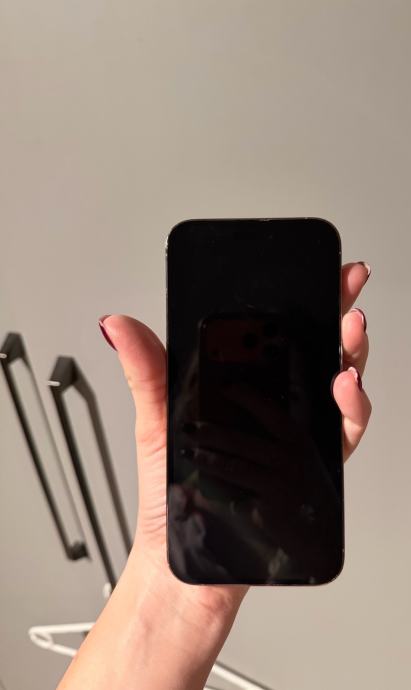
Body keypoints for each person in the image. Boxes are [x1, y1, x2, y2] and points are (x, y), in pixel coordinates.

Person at [57, 261, 372, 690]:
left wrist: (304, 524)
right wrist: (167, 589)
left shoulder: (285, 515)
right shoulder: (182, 526)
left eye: (269, 386)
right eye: (221, 380)